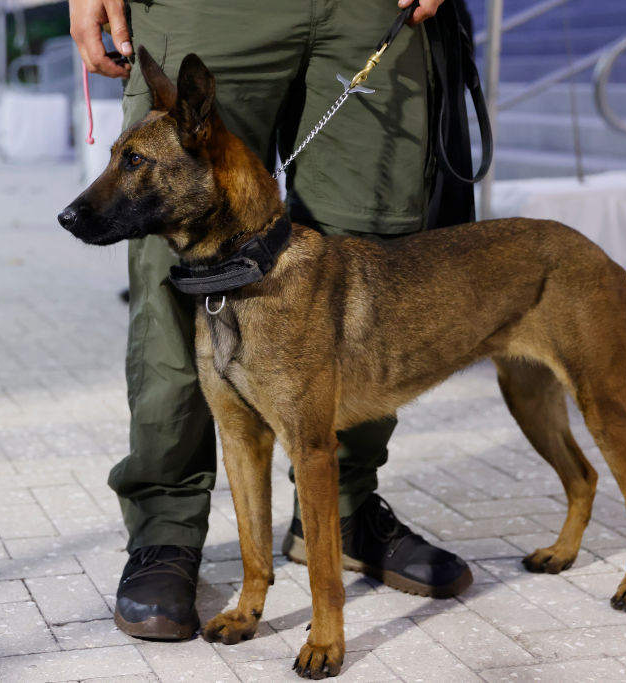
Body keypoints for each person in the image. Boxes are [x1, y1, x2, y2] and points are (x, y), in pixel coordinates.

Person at [70, 0, 473, 640]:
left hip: (367, 11)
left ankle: (344, 512)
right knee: (174, 247)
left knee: (370, 242)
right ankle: (167, 530)